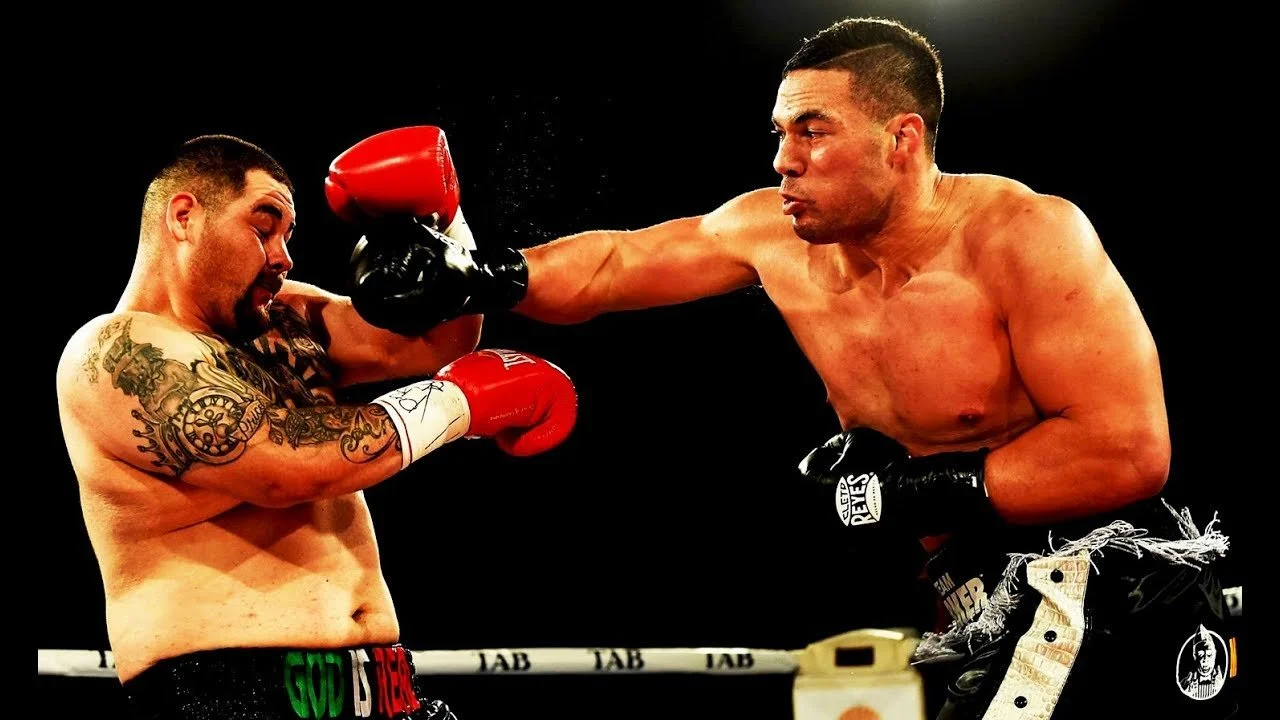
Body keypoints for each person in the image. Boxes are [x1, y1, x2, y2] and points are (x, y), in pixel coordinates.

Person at [336, 17, 1238, 720]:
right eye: (779, 132)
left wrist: (906, 492)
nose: (783, 160)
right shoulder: (774, 236)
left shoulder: (1025, 237)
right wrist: (481, 275)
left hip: (1102, 580)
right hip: (973, 595)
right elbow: (617, 264)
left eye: (813, 131)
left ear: (902, 140)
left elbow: (1128, 452)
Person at [54, 131, 578, 719]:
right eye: (264, 226)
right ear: (184, 216)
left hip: (383, 683)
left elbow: (434, 342)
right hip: (227, 690)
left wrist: (445, 223)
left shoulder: (283, 321)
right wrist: (457, 404)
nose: (283, 257)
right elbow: (287, 468)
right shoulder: (119, 353)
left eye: (288, 235)